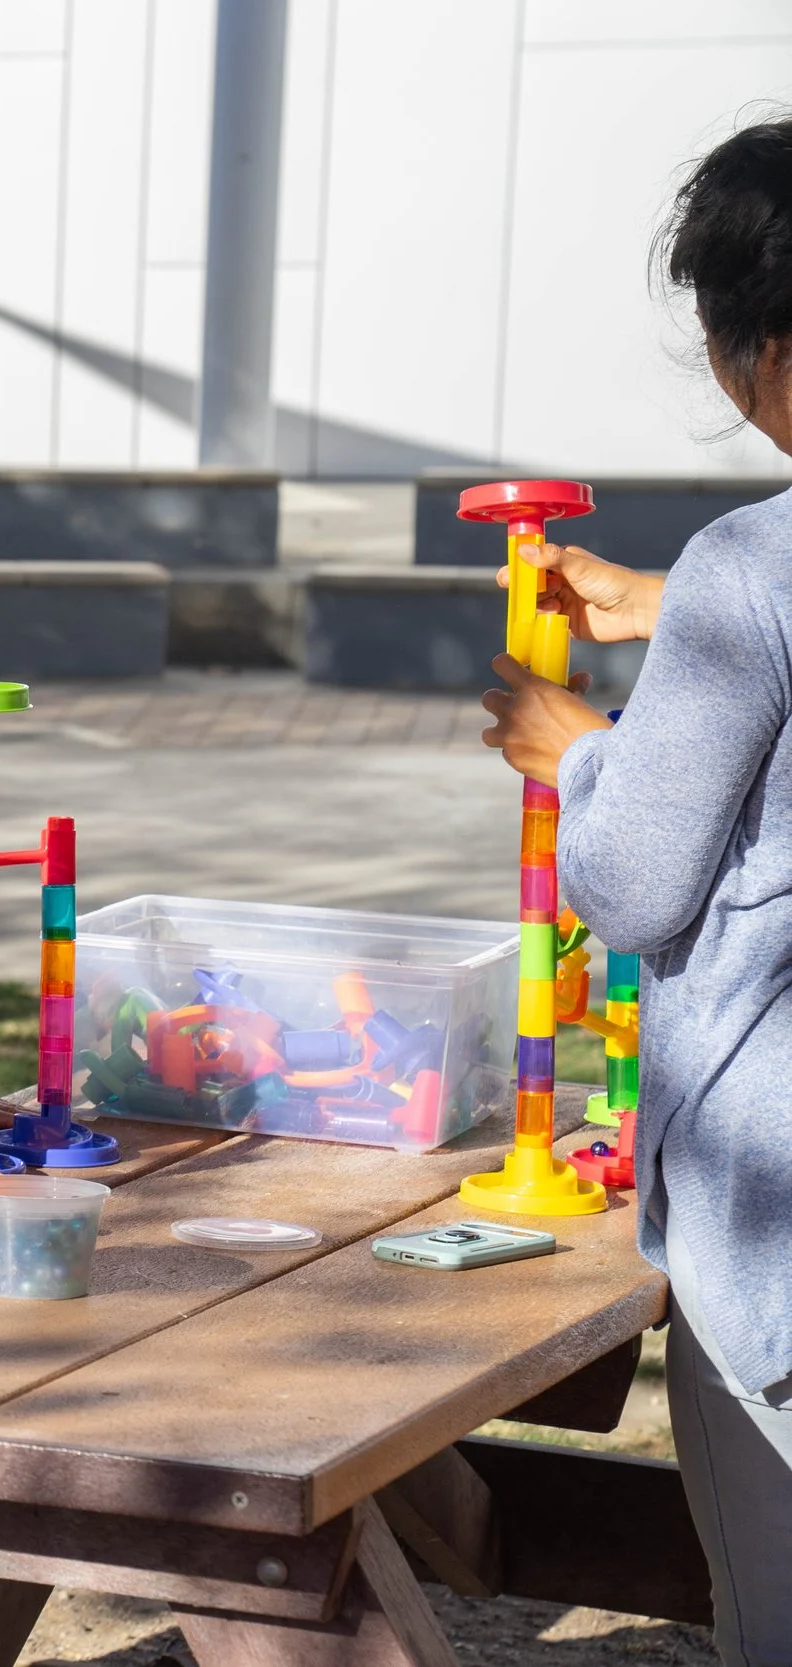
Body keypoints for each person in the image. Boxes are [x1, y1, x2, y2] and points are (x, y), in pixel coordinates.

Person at [478, 119, 792, 1667]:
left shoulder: (753, 564)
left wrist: (576, 752)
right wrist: (673, 611)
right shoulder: (737, 583)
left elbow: (635, 879)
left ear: (761, 353)